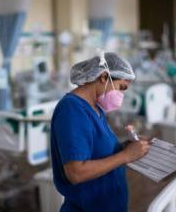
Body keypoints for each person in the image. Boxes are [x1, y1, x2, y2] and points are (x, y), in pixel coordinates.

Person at [50, 51, 151, 212]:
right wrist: (125, 156)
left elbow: (97, 149)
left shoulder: (95, 108)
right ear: (103, 77)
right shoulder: (72, 109)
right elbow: (76, 173)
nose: (121, 95)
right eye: (121, 87)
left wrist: (126, 147)